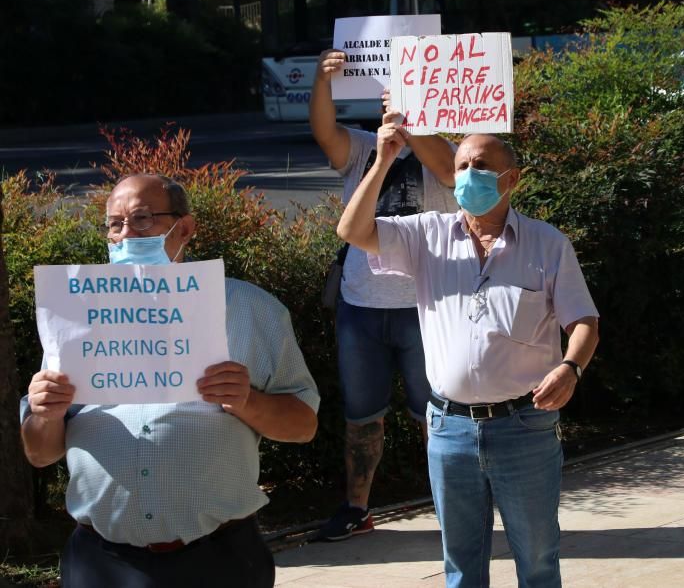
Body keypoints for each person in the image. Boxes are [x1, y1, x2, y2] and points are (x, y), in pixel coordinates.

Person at [20, 174, 320, 588]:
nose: (126, 235)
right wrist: (44, 414)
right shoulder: (74, 316)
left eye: (142, 219)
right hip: (101, 562)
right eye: (115, 224)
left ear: (186, 228)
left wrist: (248, 401)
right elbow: (39, 453)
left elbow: (303, 426)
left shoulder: (251, 309)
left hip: (218, 559)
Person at [336, 116, 599, 587]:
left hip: (524, 427)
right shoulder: (427, 235)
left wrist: (570, 367)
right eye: (460, 167)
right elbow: (352, 231)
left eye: (480, 165)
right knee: (460, 564)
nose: (467, 176)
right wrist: (382, 160)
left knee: (538, 558)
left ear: (511, 178)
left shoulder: (547, 244)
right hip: (449, 430)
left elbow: (584, 321)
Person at [309, 50, 458, 541]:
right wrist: (322, 80)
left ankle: (450, 503)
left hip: (426, 305)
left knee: (434, 411)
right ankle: (356, 508)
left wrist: (410, 124)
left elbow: (454, 173)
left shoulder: (444, 148)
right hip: (362, 305)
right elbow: (325, 133)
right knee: (361, 413)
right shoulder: (360, 147)